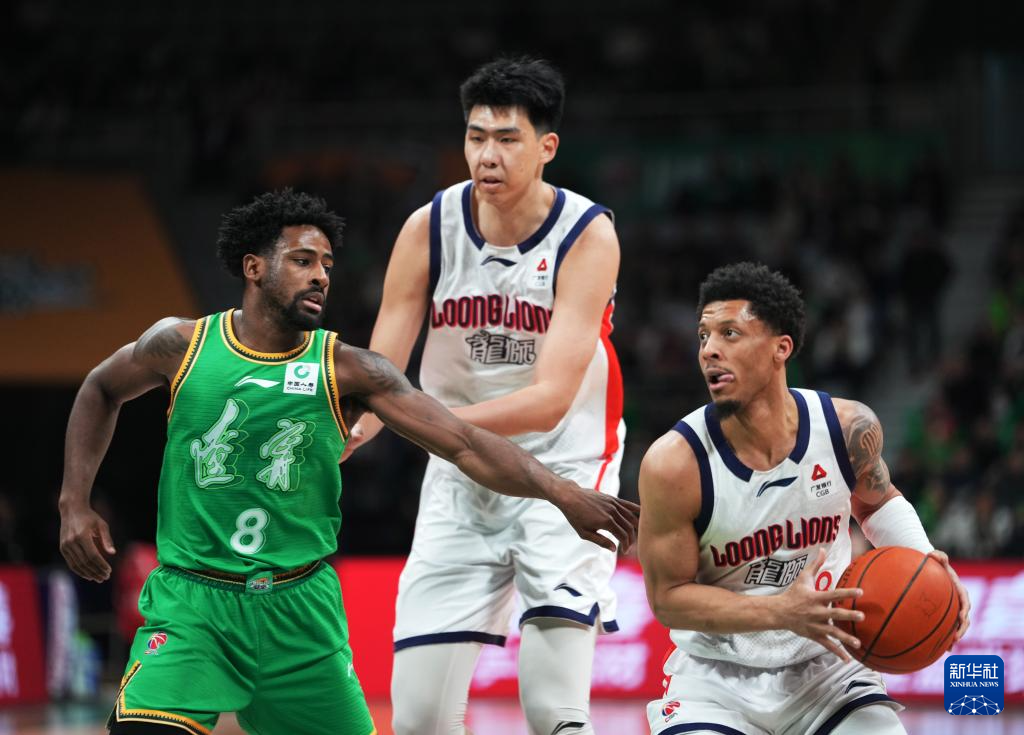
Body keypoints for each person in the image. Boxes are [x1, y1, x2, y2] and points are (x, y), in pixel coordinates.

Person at [57, 189, 639, 735]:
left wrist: (562, 493)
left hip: (299, 612)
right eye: (303, 261)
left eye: (327, 265)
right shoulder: (181, 344)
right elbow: (100, 389)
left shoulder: (351, 370)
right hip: (194, 604)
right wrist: (74, 503)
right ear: (254, 268)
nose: (320, 276)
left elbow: (463, 441)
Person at [343, 57, 625, 735]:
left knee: (554, 710)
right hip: (459, 473)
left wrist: (418, 417)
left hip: (563, 469)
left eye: (506, 139)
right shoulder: (427, 228)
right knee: (418, 719)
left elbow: (550, 398)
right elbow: (384, 371)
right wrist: (350, 429)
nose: (486, 155)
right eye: (475, 137)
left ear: (547, 147)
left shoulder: (587, 235)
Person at [638, 262, 971, 735]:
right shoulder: (674, 463)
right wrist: (781, 612)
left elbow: (876, 502)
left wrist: (931, 568)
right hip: (716, 680)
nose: (709, 350)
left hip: (827, 665)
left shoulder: (846, 428)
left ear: (781, 348)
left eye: (730, 333)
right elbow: (667, 599)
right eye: (704, 335)